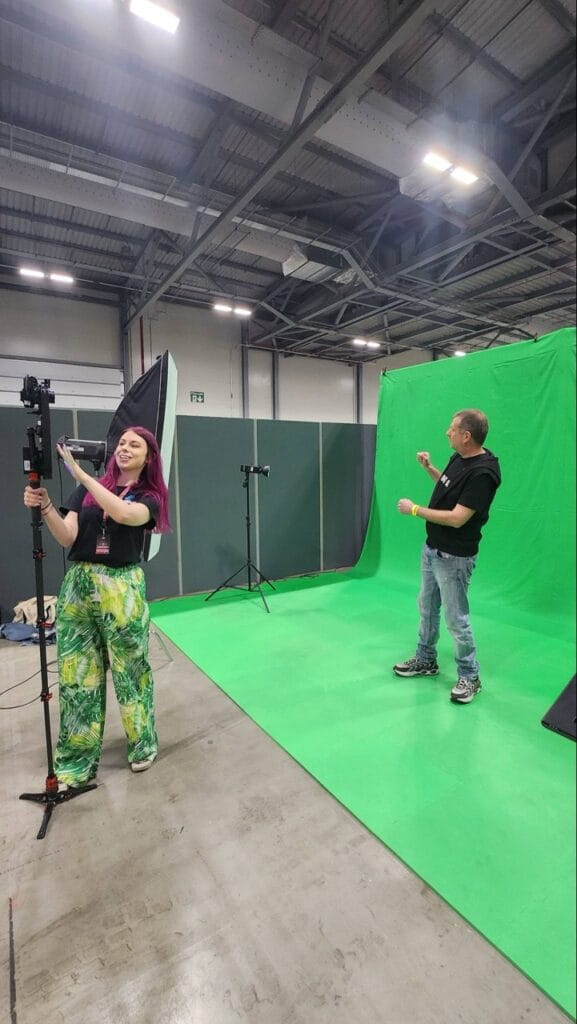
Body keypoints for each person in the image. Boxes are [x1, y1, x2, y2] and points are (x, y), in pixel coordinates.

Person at [23, 426, 171, 786]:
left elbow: (124, 514)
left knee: (130, 672)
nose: (124, 448)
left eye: (134, 444)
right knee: (76, 676)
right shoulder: (87, 490)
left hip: (121, 588)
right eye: (121, 443)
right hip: (79, 585)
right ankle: (76, 758)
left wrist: (84, 477)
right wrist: (46, 506)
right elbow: (67, 536)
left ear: (148, 457)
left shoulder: (149, 496)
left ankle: (142, 744)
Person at [394, 409, 501, 704]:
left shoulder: (483, 474)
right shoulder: (459, 458)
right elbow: (448, 485)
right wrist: (429, 468)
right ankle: (425, 659)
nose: (447, 432)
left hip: (455, 557)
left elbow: (457, 518)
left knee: (456, 619)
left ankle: (470, 676)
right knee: (427, 607)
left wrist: (414, 510)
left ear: (466, 436)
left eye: (452, 429)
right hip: (433, 549)